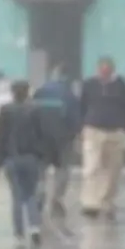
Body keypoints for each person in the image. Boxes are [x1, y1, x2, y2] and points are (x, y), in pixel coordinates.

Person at [0, 80, 55, 244]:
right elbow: (44, 134)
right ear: (28, 92)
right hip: (31, 158)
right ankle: (34, 227)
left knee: (17, 196)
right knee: (30, 194)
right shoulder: (37, 109)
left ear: (12, 92)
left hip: (12, 158)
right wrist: (46, 156)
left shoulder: (6, 110)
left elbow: (1, 136)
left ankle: (19, 232)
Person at [79, 56, 125, 219]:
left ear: (112, 71)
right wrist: (81, 127)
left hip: (114, 131)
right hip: (93, 130)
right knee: (91, 168)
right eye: (102, 71)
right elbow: (82, 105)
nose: (104, 74)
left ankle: (107, 201)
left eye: (107, 71)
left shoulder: (120, 85)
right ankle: (91, 203)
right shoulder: (89, 84)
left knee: (113, 170)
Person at [33, 63, 82, 216]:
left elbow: (32, 113)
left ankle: (40, 191)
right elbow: (74, 118)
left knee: (41, 168)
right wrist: (75, 134)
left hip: (41, 138)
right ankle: (57, 198)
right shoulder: (69, 94)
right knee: (63, 169)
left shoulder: (40, 92)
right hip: (63, 139)